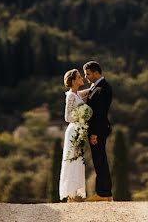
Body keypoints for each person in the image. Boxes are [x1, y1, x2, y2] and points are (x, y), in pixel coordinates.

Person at [83, 60, 113, 200]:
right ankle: (102, 192)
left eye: (88, 74)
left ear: (96, 73)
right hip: (96, 129)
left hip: (98, 130)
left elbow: (100, 113)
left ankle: (103, 193)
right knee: (98, 160)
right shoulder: (96, 87)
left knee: (100, 160)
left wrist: (94, 132)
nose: (86, 77)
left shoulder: (103, 88)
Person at [59, 68, 90, 202]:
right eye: (79, 77)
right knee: (73, 160)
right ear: (73, 81)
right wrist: (82, 116)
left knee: (78, 161)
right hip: (73, 131)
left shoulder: (77, 94)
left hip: (79, 131)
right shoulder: (71, 96)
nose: (81, 78)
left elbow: (90, 91)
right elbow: (67, 117)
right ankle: (71, 195)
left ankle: (75, 194)